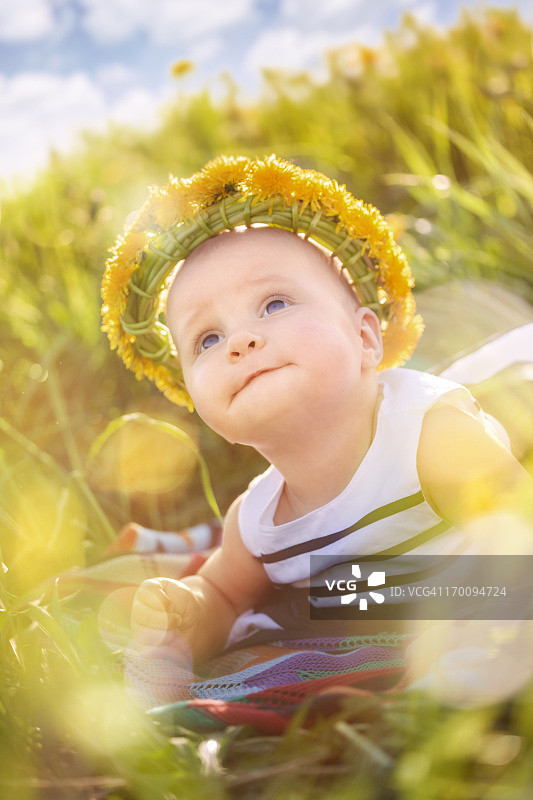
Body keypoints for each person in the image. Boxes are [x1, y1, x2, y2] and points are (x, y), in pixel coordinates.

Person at [101, 155, 531, 669]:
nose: (240, 340)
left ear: (365, 336)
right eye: (207, 339)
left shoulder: (431, 438)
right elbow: (224, 596)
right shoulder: (257, 522)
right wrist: (187, 613)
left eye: (275, 304)